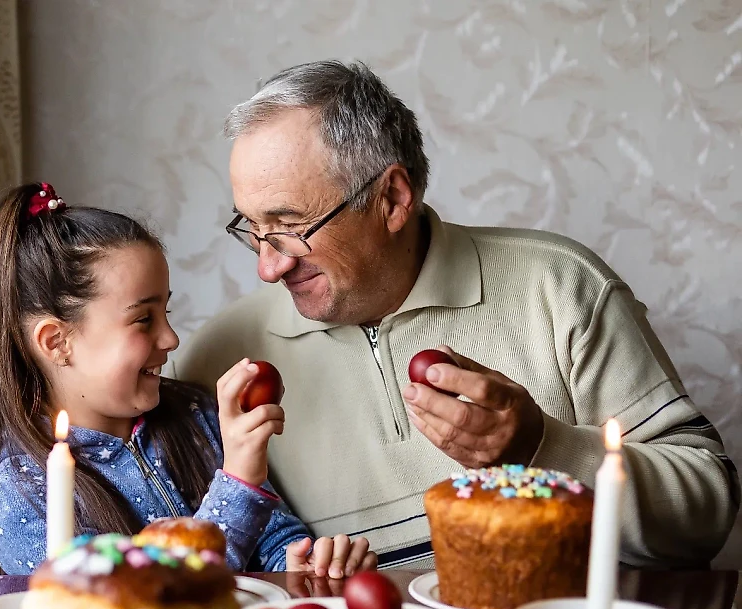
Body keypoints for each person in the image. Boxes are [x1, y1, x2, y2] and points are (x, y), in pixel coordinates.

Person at [176, 60, 739, 568]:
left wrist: (542, 450)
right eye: (252, 230)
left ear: (392, 199)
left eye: (292, 227)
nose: (267, 269)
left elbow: (708, 513)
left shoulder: (560, 287)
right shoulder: (218, 362)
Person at [0, 182, 377, 577]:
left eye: (165, 311)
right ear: (57, 342)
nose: (170, 338)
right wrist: (237, 484)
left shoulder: (194, 415)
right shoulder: (24, 495)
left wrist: (302, 565)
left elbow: (272, 537)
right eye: (143, 319)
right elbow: (143, 608)